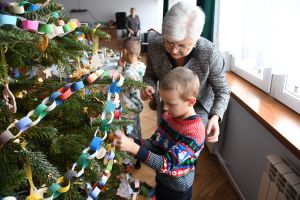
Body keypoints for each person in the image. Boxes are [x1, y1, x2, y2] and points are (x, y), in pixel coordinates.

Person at [141, 1, 230, 143]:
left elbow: (223, 91)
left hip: (197, 110)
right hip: (167, 106)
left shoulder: (210, 53)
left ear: (195, 40)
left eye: (182, 45)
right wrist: (148, 86)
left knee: (186, 153)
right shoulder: (155, 46)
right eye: (169, 42)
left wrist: (216, 116)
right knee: (163, 143)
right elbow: (149, 76)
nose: (174, 50)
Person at [115, 67, 205, 200]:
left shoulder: (195, 133)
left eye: (171, 103)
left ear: (191, 101)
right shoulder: (169, 116)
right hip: (162, 178)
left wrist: (134, 148)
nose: (165, 108)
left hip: (177, 190)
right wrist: (133, 142)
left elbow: (166, 164)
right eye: (163, 101)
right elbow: (155, 144)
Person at [117, 37, 146, 169]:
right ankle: (137, 157)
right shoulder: (141, 66)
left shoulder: (128, 74)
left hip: (128, 111)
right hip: (135, 108)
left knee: (130, 134)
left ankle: (134, 160)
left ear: (125, 51)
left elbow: (116, 85)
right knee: (136, 132)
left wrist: (119, 67)